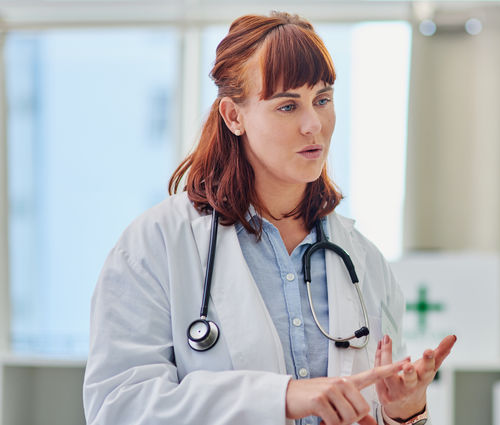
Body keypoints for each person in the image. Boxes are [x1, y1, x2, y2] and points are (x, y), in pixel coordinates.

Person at [83, 12, 455, 425]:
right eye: (287, 106)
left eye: (323, 99)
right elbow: (117, 408)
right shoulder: (156, 246)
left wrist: (404, 413)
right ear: (233, 116)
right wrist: (280, 398)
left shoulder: (364, 262)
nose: (314, 124)